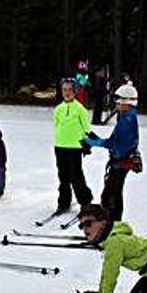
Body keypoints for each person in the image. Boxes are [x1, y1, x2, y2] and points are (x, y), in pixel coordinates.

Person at [81, 84, 141, 222]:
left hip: (121, 162)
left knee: (111, 194)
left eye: (119, 101)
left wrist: (95, 142)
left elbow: (116, 145)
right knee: (111, 193)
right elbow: (116, 140)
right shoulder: (125, 116)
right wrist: (97, 140)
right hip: (121, 161)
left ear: (127, 102)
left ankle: (112, 222)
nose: (116, 104)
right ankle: (111, 221)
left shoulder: (127, 120)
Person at [53, 79, 92, 212]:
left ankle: (85, 201)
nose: (67, 92)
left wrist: (86, 143)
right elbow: (57, 125)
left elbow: (86, 128)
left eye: (70, 90)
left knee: (76, 176)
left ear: (75, 91)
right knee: (63, 176)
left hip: (75, 147)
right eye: (65, 90)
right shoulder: (58, 109)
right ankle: (63, 202)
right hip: (60, 146)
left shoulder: (80, 109)